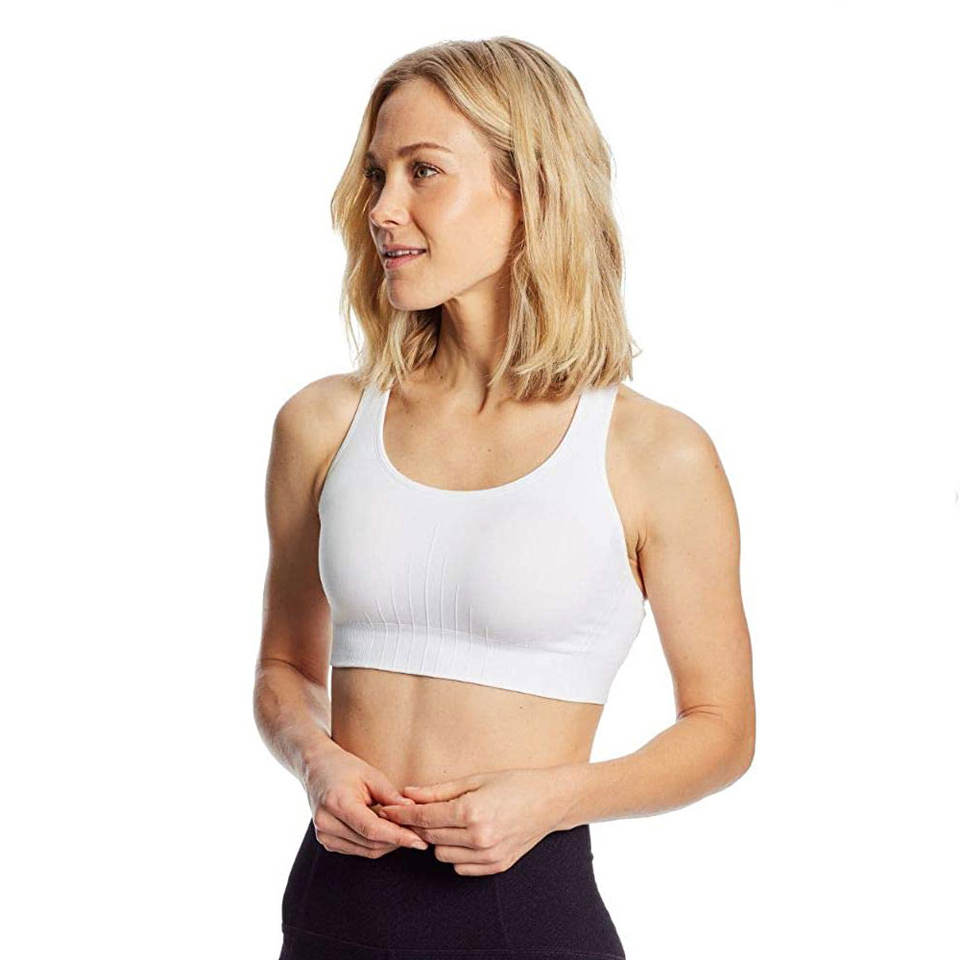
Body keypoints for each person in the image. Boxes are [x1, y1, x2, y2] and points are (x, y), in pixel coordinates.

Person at [254, 37, 755, 960]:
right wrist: (316, 759)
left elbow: (722, 730)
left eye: (423, 171)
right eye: (376, 175)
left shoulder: (654, 454)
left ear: (532, 191)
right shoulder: (323, 424)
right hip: (333, 912)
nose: (382, 209)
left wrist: (556, 797)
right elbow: (284, 666)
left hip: (525, 919)